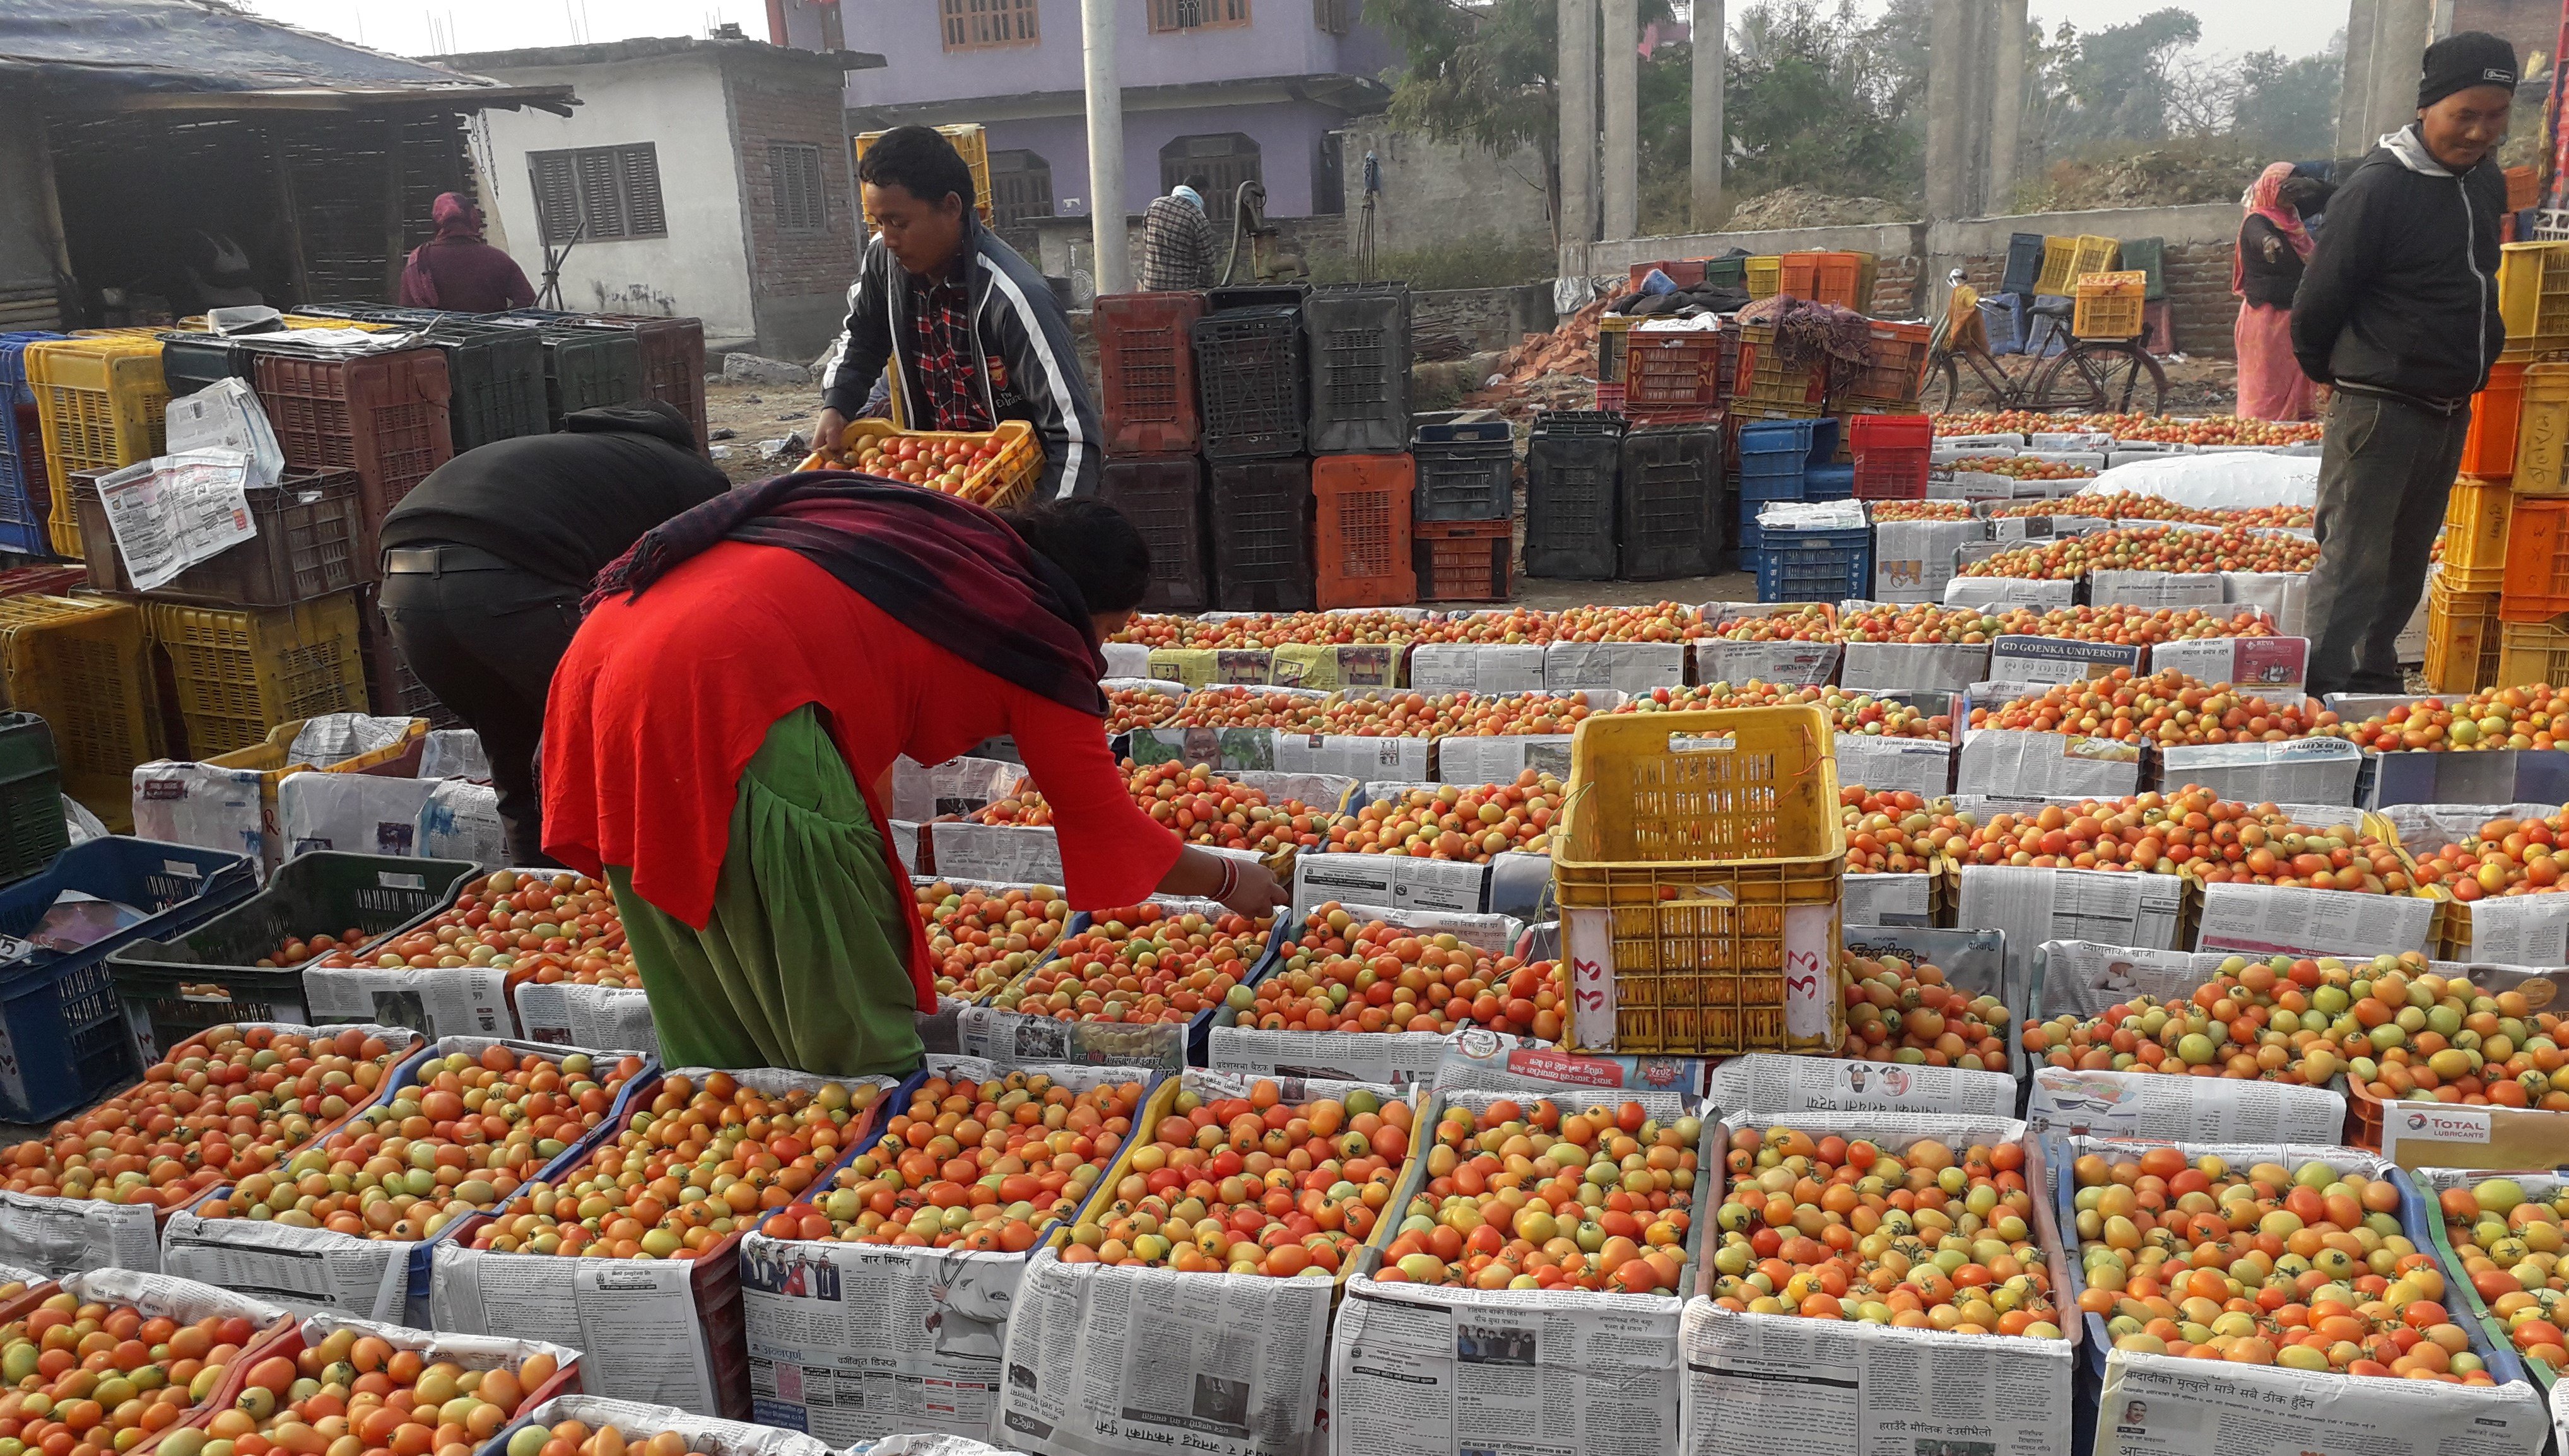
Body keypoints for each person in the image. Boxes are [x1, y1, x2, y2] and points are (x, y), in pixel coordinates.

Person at [538, 479, 1290, 1076]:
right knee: (837, 968)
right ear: (1086, 605)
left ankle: (735, 1125)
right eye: (1111, 629)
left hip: (602, 665)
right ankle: (861, 1146)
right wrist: (1231, 879)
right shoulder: (1030, 631)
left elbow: (847, 647)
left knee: (705, 958)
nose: (1098, 649)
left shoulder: (950, 546)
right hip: (724, 687)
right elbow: (1105, 824)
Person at [377, 401, 727, 864]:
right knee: (621, 740)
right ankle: (647, 894)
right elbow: (708, 592)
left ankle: (543, 895)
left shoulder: (572, 457)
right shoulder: (688, 473)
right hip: (507, 584)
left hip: (404, 591)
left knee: (514, 748)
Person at [2291, 31, 2515, 696]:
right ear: (2427, 109)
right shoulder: (2379, 188)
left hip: (2446, 404)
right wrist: (2336, 373)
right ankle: (2323, 702)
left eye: (2495, 115)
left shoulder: (2483, 181)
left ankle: (2372, 679)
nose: (2478, 131)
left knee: (2405, 559)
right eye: (2464, 115)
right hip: (2379, 403)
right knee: (2354, 560)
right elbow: (2318, 298)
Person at [815, 126, 1099, 498]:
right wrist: (838, 404)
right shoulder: (884, 262)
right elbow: (864, 340)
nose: (888, 238)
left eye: (899, 223)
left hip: (1019, 489)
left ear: (951, 207)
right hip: (946, 482)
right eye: (878, 223)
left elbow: (1075, 438)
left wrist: (1041, 536)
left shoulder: (1013, 298)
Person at [2234, 163, 2322, 421]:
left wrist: (2311, 185)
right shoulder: (2258, 219)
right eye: (2285, 189)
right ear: (2270, 189)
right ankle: (2259, 433)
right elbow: (2257, 234)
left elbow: (2327, 197)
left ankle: (2293, 428)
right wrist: (2269, 242)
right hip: (2267, 319)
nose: (2291, 196)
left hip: (2292, 312)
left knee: (2294, 376)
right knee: (2267, 383)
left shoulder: (2291, 216)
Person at [399, 192, 536, 313]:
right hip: (491, 338)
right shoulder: (497, 258)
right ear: (472, 218)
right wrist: (501, 324)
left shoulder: (419, 261)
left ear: (436, 222)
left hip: (436, 340)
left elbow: (407, 312)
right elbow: (528, 301)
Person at [1139, 173, 1219, 292]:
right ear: (1202, 193)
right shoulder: (1197, 218)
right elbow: (1208, 262)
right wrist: (1205, 287)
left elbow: (1147, 241)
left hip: (1151, 289)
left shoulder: (1155, 206)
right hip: (1182, 295)